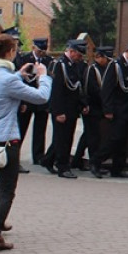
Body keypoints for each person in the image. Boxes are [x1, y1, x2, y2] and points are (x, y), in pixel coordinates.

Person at [0, 32, 52, 251]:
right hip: (7, 138)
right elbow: (41, 97)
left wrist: (19, 74)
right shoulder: (8, 80)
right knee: (8, 188)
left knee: (2, 180)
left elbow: (5, 86)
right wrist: (44, 76)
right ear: (10, 52)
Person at [42, 39, 88, 178]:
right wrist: (58, 112)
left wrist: (83, 104)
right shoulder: (59, 65)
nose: (80, 58)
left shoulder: (74, 65)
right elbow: (57, 91)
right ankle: (63, 167)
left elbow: (77, 87)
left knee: (65, 138)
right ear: (72, 51)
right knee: (62, 139)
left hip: (72, 108)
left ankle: (48, 160)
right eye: (78, 55)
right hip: (62, 109)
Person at [100, 42, 128, 178]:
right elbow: (107, 89)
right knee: (114, 139)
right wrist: (107, 109)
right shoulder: (115, 65)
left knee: (122, 141)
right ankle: (96, 161)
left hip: (126, 109)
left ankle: (118, 168)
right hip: (116, 108)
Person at [16, 37, 53, 171]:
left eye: (43, 51)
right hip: (27, 98)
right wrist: (22, 101)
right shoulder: (25, 59)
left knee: (40, 129)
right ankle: (15, 154)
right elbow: (20, 82)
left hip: (41, 100)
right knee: (21, 128)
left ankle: (38, 156)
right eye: (39, 50)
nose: (42, 53)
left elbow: (50, 79)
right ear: (33, 48)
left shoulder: (49, 61)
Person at [78, 45, 113, 177]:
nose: (108, 61)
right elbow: (89, 89)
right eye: (106, 59)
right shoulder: (91, 69)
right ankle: (94, 164)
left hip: (100, 107)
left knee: (88, 135)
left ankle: (77, 159)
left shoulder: (106, 69)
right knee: (93, 137)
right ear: (99, 57)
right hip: (91, 107)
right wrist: (86, 104)